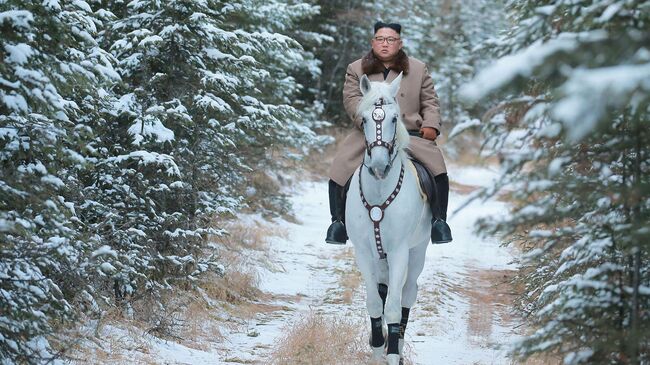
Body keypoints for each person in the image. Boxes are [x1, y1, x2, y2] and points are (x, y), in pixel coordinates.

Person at [325, 21, 452, 245]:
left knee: (437, 170)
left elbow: (430, 102)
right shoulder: (356, 69)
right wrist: (367, 120)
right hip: (369, 132)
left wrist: (431, 124)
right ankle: (338, 223)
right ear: (373, 42)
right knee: (340, 168)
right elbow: (352, 100)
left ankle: (438, 222)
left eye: (391, 39)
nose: (385, 44)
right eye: (380, 39)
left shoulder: (418, 68)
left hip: (411, 134)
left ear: (400, 43)